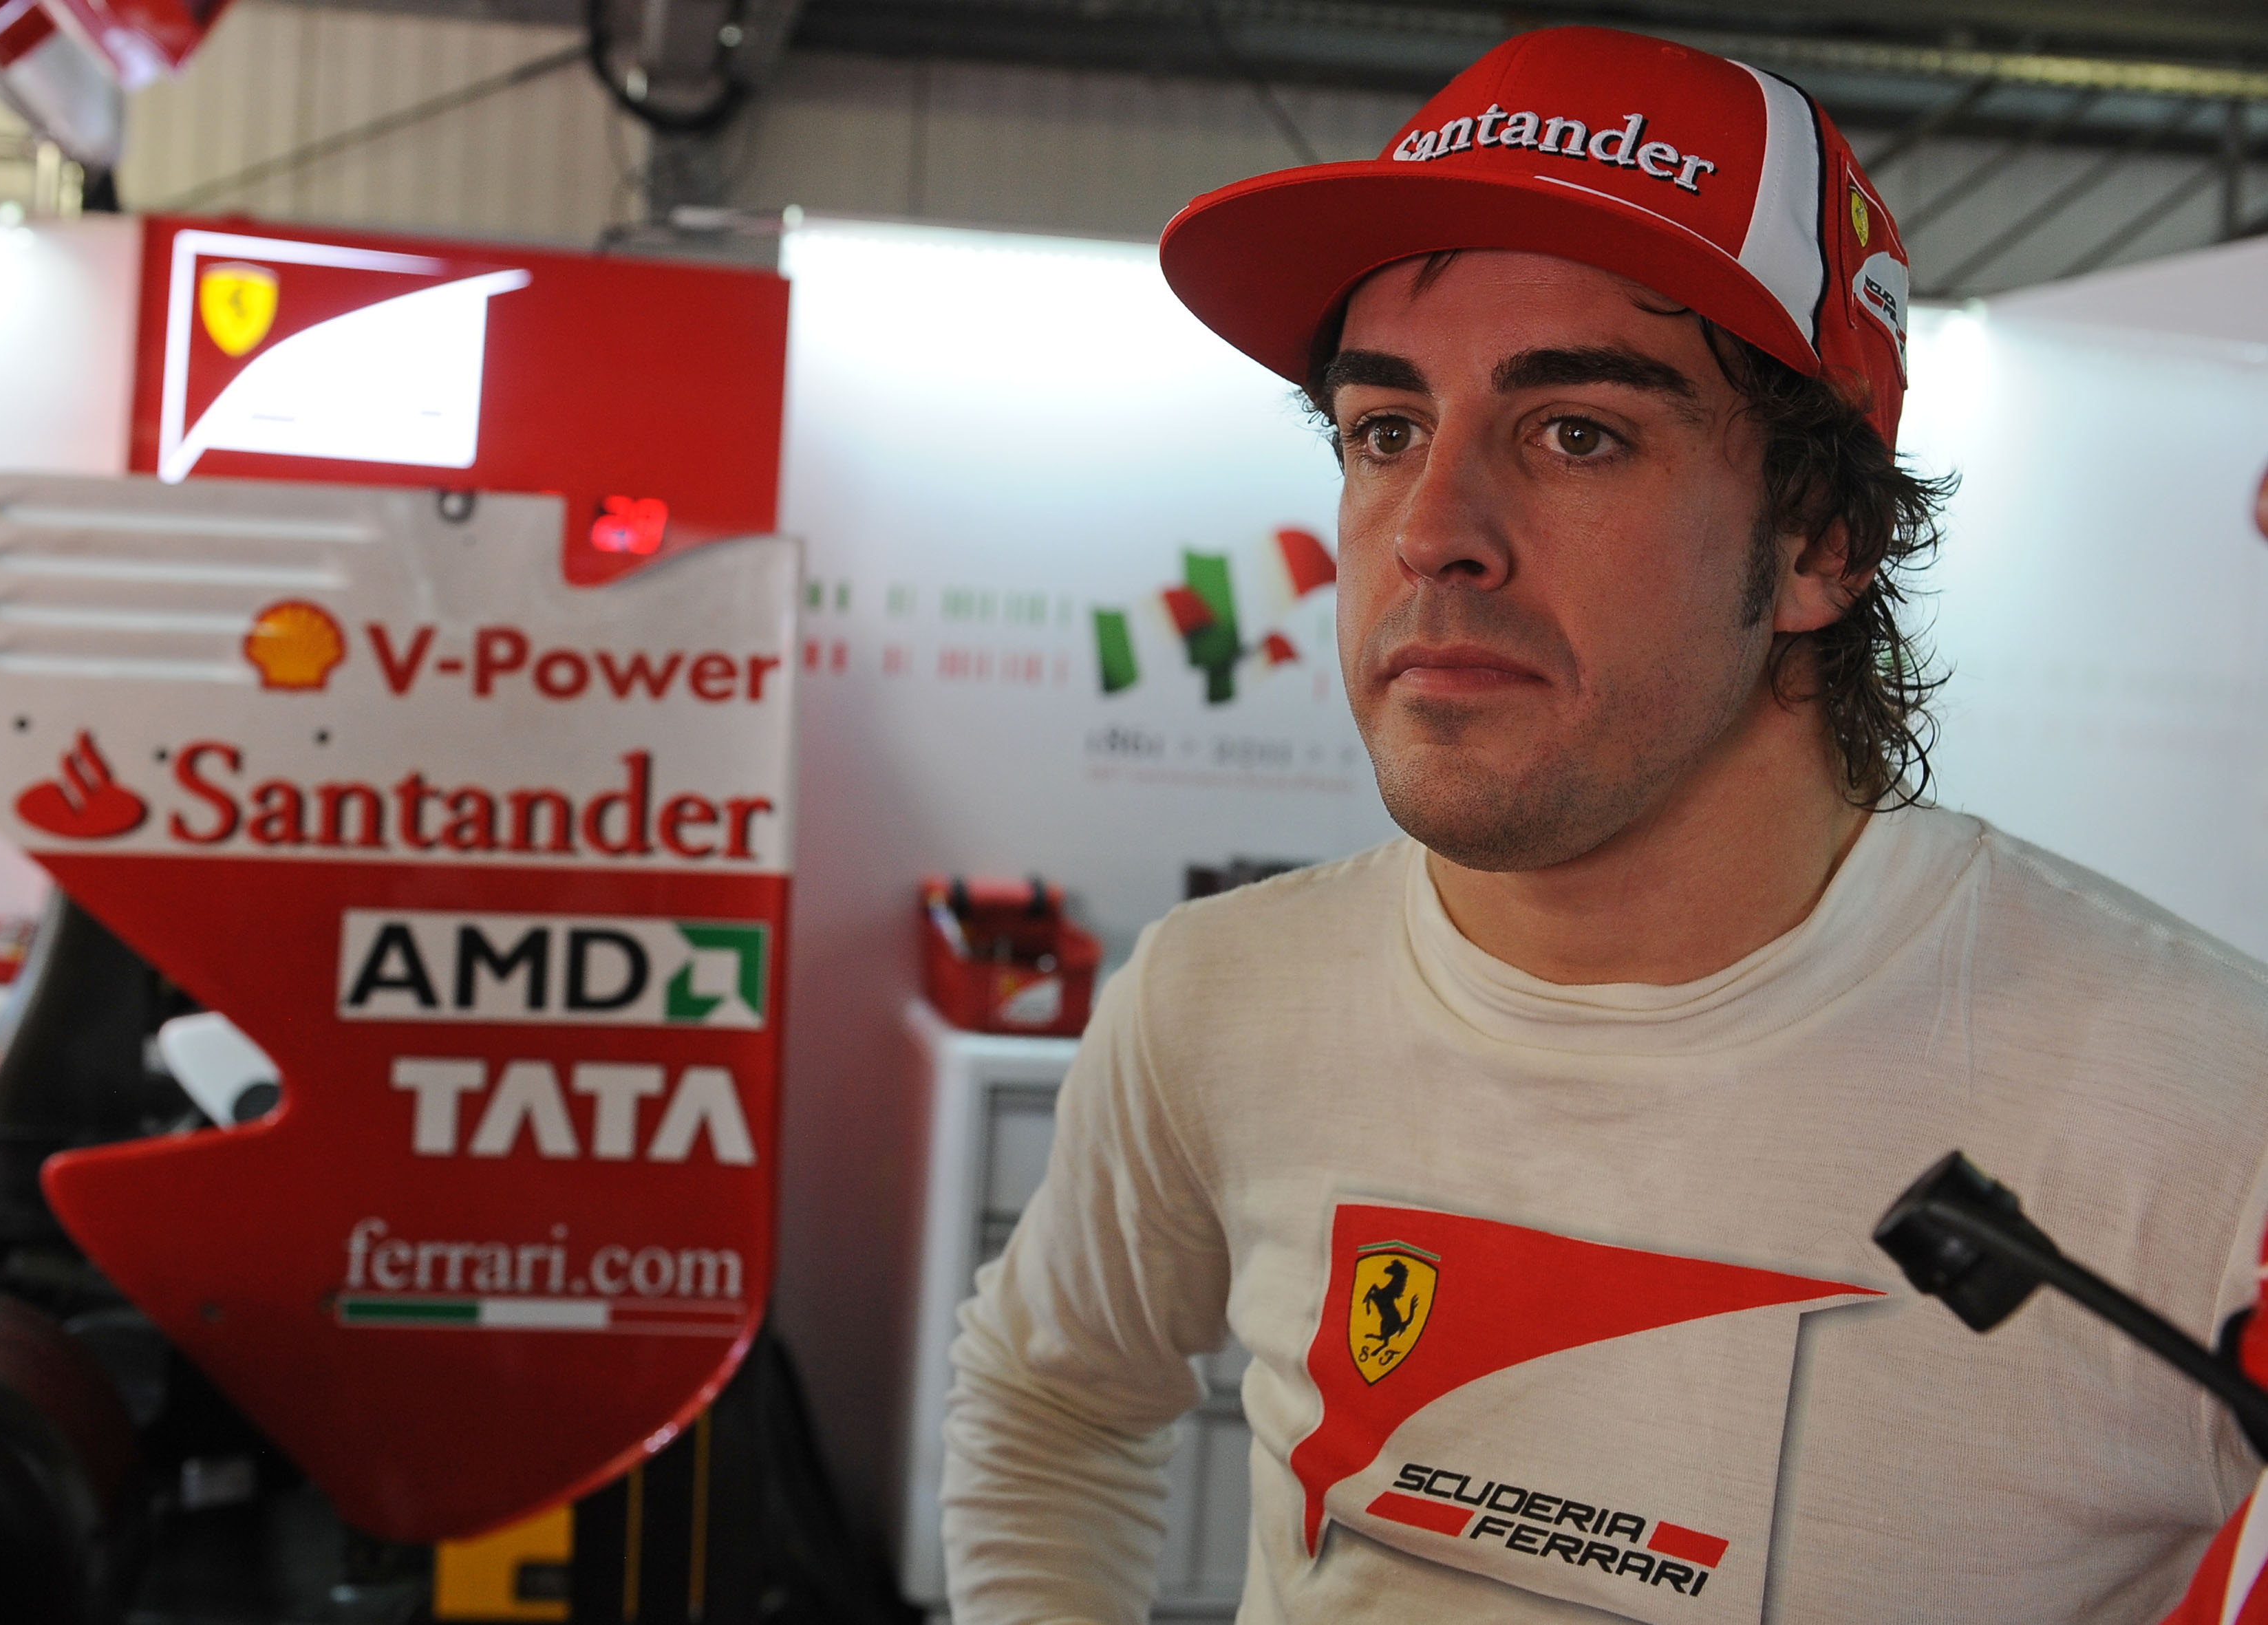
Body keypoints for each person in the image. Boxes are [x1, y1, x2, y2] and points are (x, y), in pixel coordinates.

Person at [941, 24, 2268, 1625]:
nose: (1431, 531)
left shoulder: (2206, 1117)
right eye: (1382, 430)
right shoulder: (1215, 994)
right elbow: (1048, 1394)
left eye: (1576, 430)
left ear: (1820, 539)